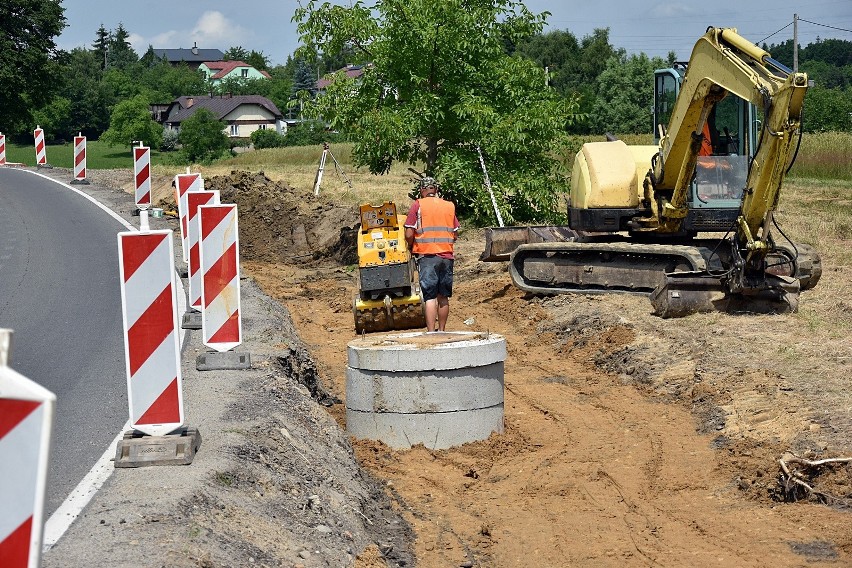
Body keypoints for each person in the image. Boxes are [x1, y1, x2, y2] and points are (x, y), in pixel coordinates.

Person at [404, 177, 460, 332]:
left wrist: (410, 246)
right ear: (435, 190)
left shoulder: (418, 205)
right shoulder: (449, 206)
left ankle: (430, 332)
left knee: (430, 297)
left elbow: (409, 233)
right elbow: (455, 234)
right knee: (443, 297)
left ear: (422, 190)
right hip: (447, 256)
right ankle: (441, 331)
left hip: (427, 256)